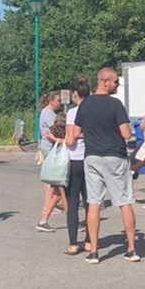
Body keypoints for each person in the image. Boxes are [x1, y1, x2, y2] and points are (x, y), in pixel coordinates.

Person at [70, 67, 140, 264]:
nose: (117, 85)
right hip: (115, 156)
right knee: (124, 201)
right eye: (116, 81)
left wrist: (93, 134)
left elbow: (75, 133)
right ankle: (132, 249)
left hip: (92, 156)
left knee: (94, 202)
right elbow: (126, 134)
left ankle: (93, 251)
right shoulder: (115, 104)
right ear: (104, 81)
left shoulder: (84, 105)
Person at [63, 77, 91, 255]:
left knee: (72, 204)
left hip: (74, 160)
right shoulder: (93, 110)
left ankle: (73, 243)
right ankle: (90, 241)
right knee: (91, 202)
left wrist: (60, 139)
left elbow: (70, 140)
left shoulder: (73, 113)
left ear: (74, 94)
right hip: (90, 159)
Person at [36, 91, 64, 233]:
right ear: (51, 101)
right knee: (52, 180)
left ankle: (48, 206)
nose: (60, 102)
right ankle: (48, 206)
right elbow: (57, 126)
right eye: (58, 100)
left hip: (50, 146)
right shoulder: (48, 113)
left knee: (50, 180)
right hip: (50, 147)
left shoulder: (49, 112)